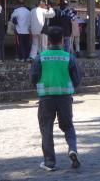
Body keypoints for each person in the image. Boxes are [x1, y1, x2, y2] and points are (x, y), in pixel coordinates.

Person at [31, 26, 81, 171]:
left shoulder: (40, 57)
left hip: (46, 98)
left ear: (48, 41)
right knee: (68, 126)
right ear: (61, 40)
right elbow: (77, 79)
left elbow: (33, 77)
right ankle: (72, 149)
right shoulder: (69, 57)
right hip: (65, 98)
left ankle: (49, 162)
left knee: (46, 129)